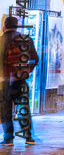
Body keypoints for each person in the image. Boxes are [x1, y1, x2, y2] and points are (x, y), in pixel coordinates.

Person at [1, 16, 38, 145]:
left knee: (5, 109)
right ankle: (28, 137)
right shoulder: (26, 40)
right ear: (17, 26)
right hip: (21, 80)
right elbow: (35, 59)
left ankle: (8, 138)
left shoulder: (1, 41)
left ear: (4, 26)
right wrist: (27, 71)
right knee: (24, 107)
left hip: (4, 81)